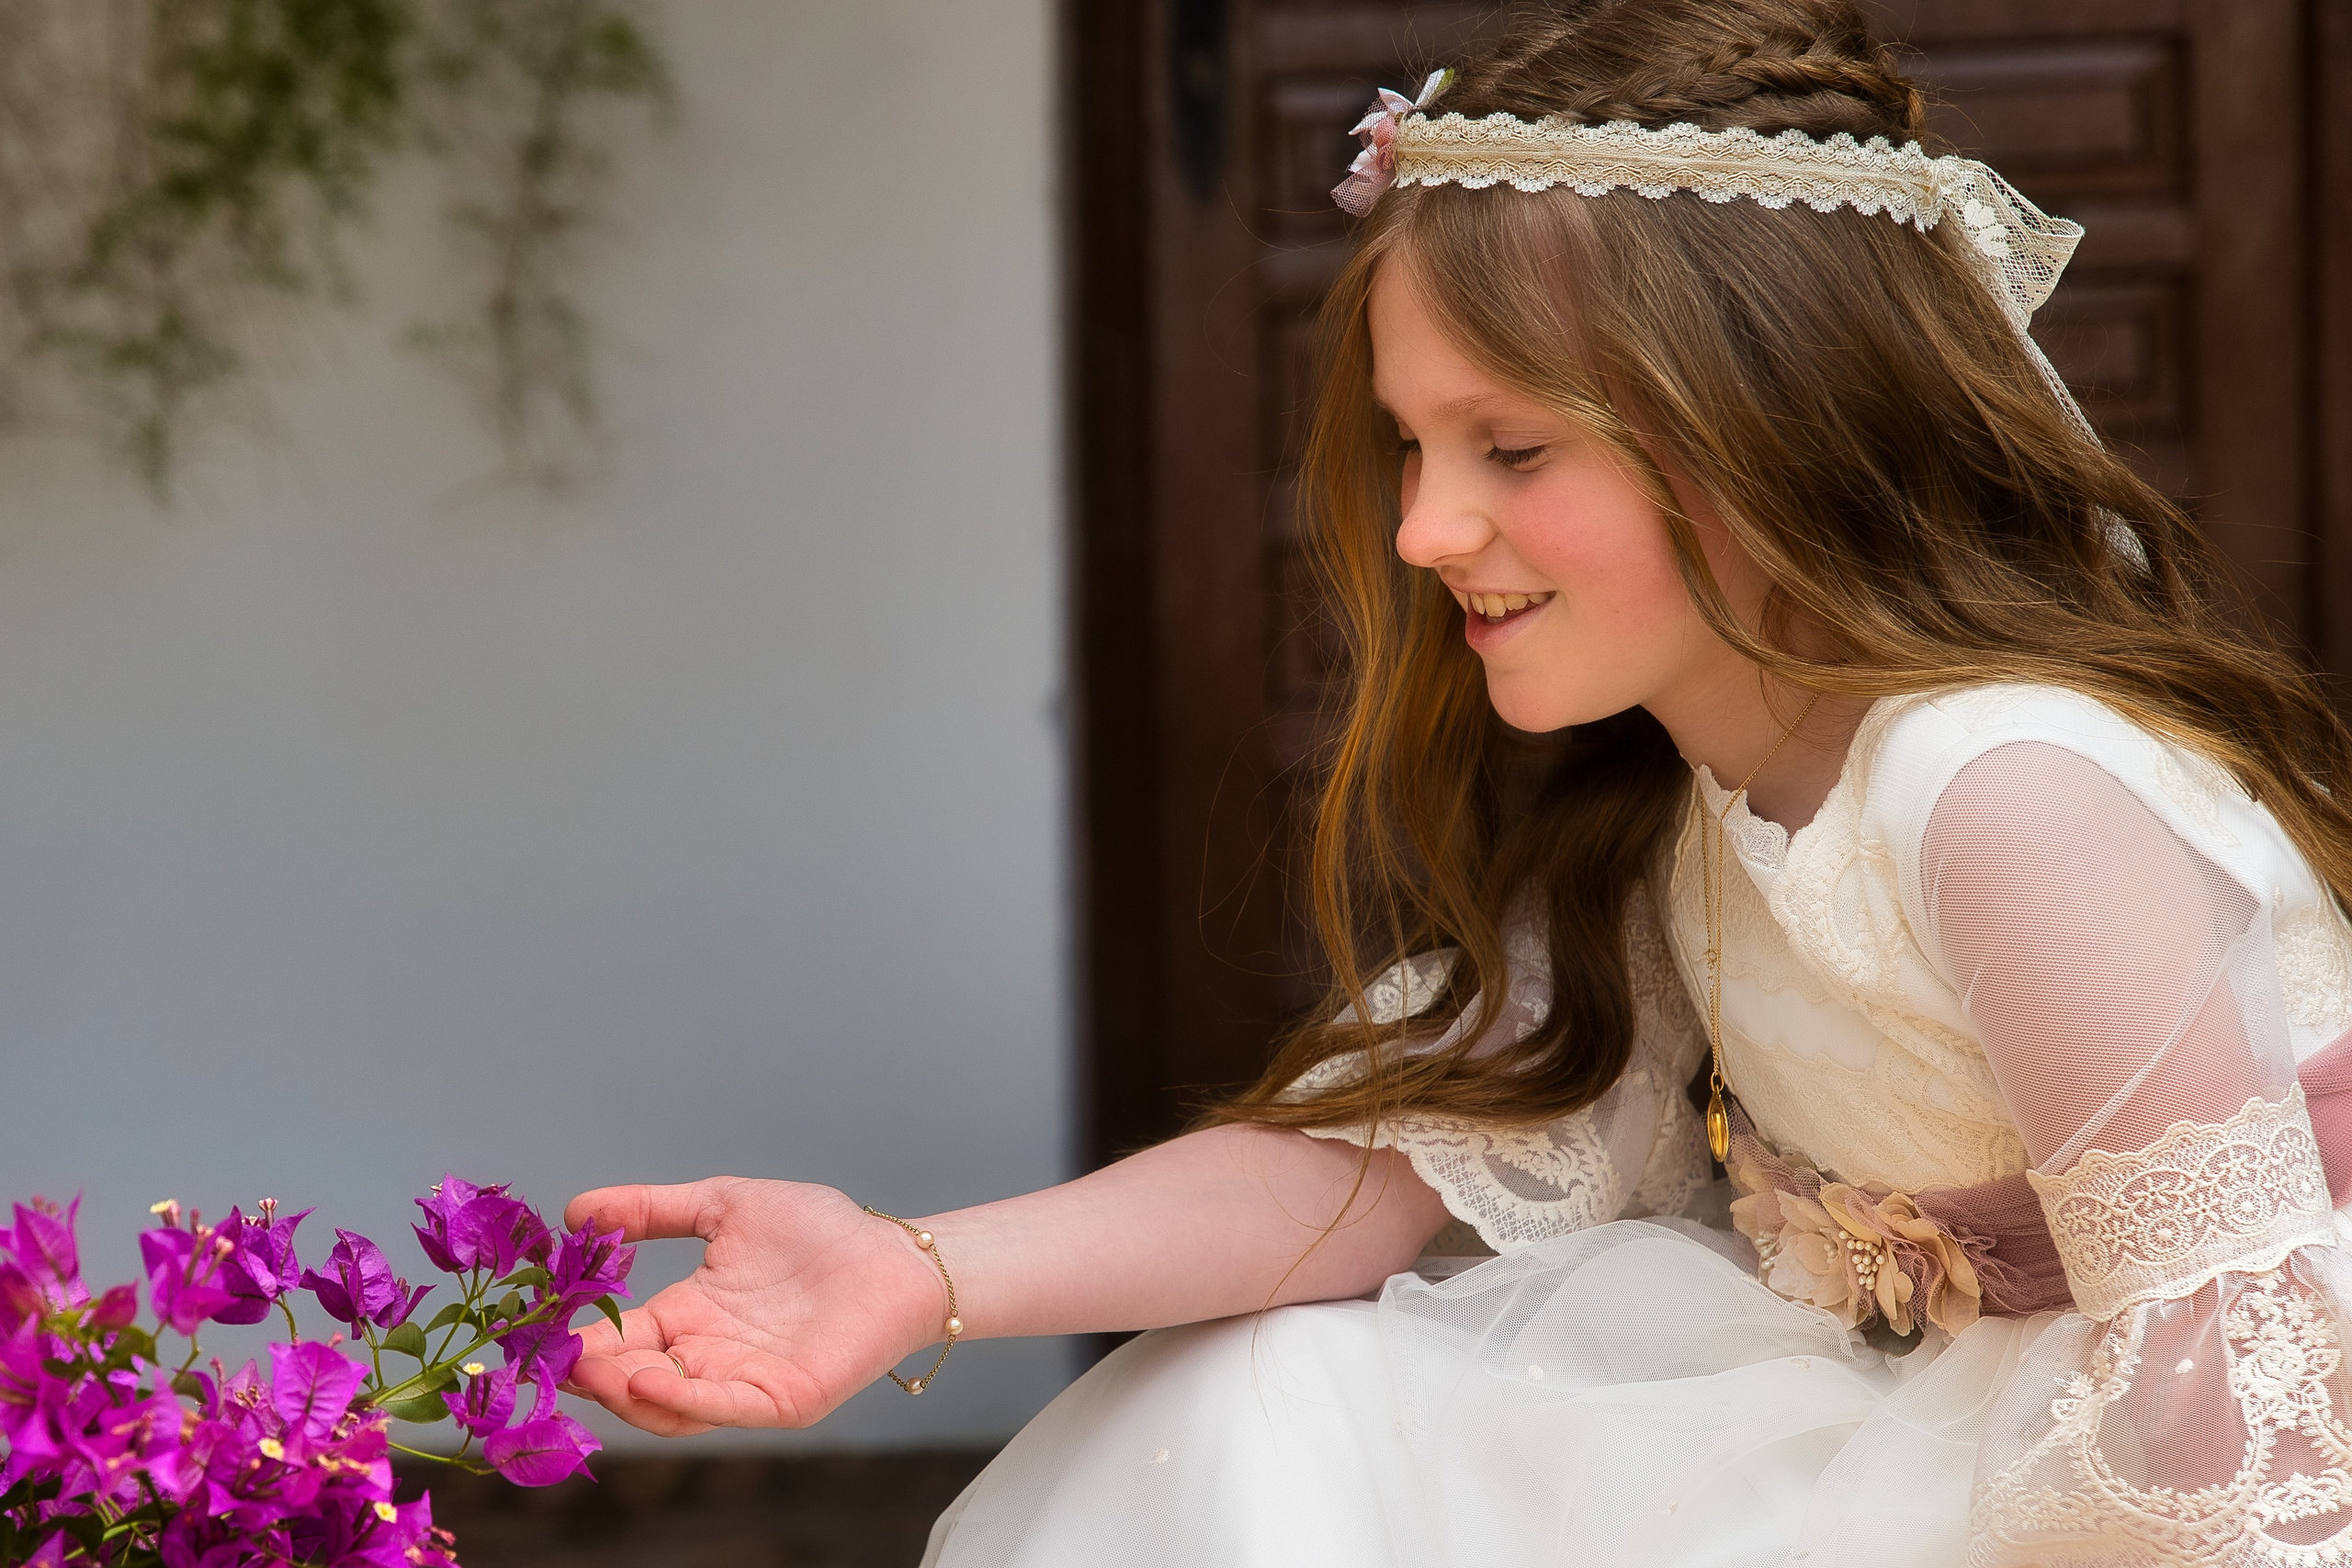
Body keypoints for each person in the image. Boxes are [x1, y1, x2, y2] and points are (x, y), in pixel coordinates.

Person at [560, 2, 2352, 1562]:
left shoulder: (2002, 794)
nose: (1422, 527)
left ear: (1771, 414)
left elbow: (2248, 1438)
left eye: (1509, 446)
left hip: (2187, 1473)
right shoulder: (1679, 804)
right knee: (1272, 1389)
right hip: (1914, 1415)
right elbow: (1388, 1161)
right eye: (1411, 445)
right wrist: (908, 1264)